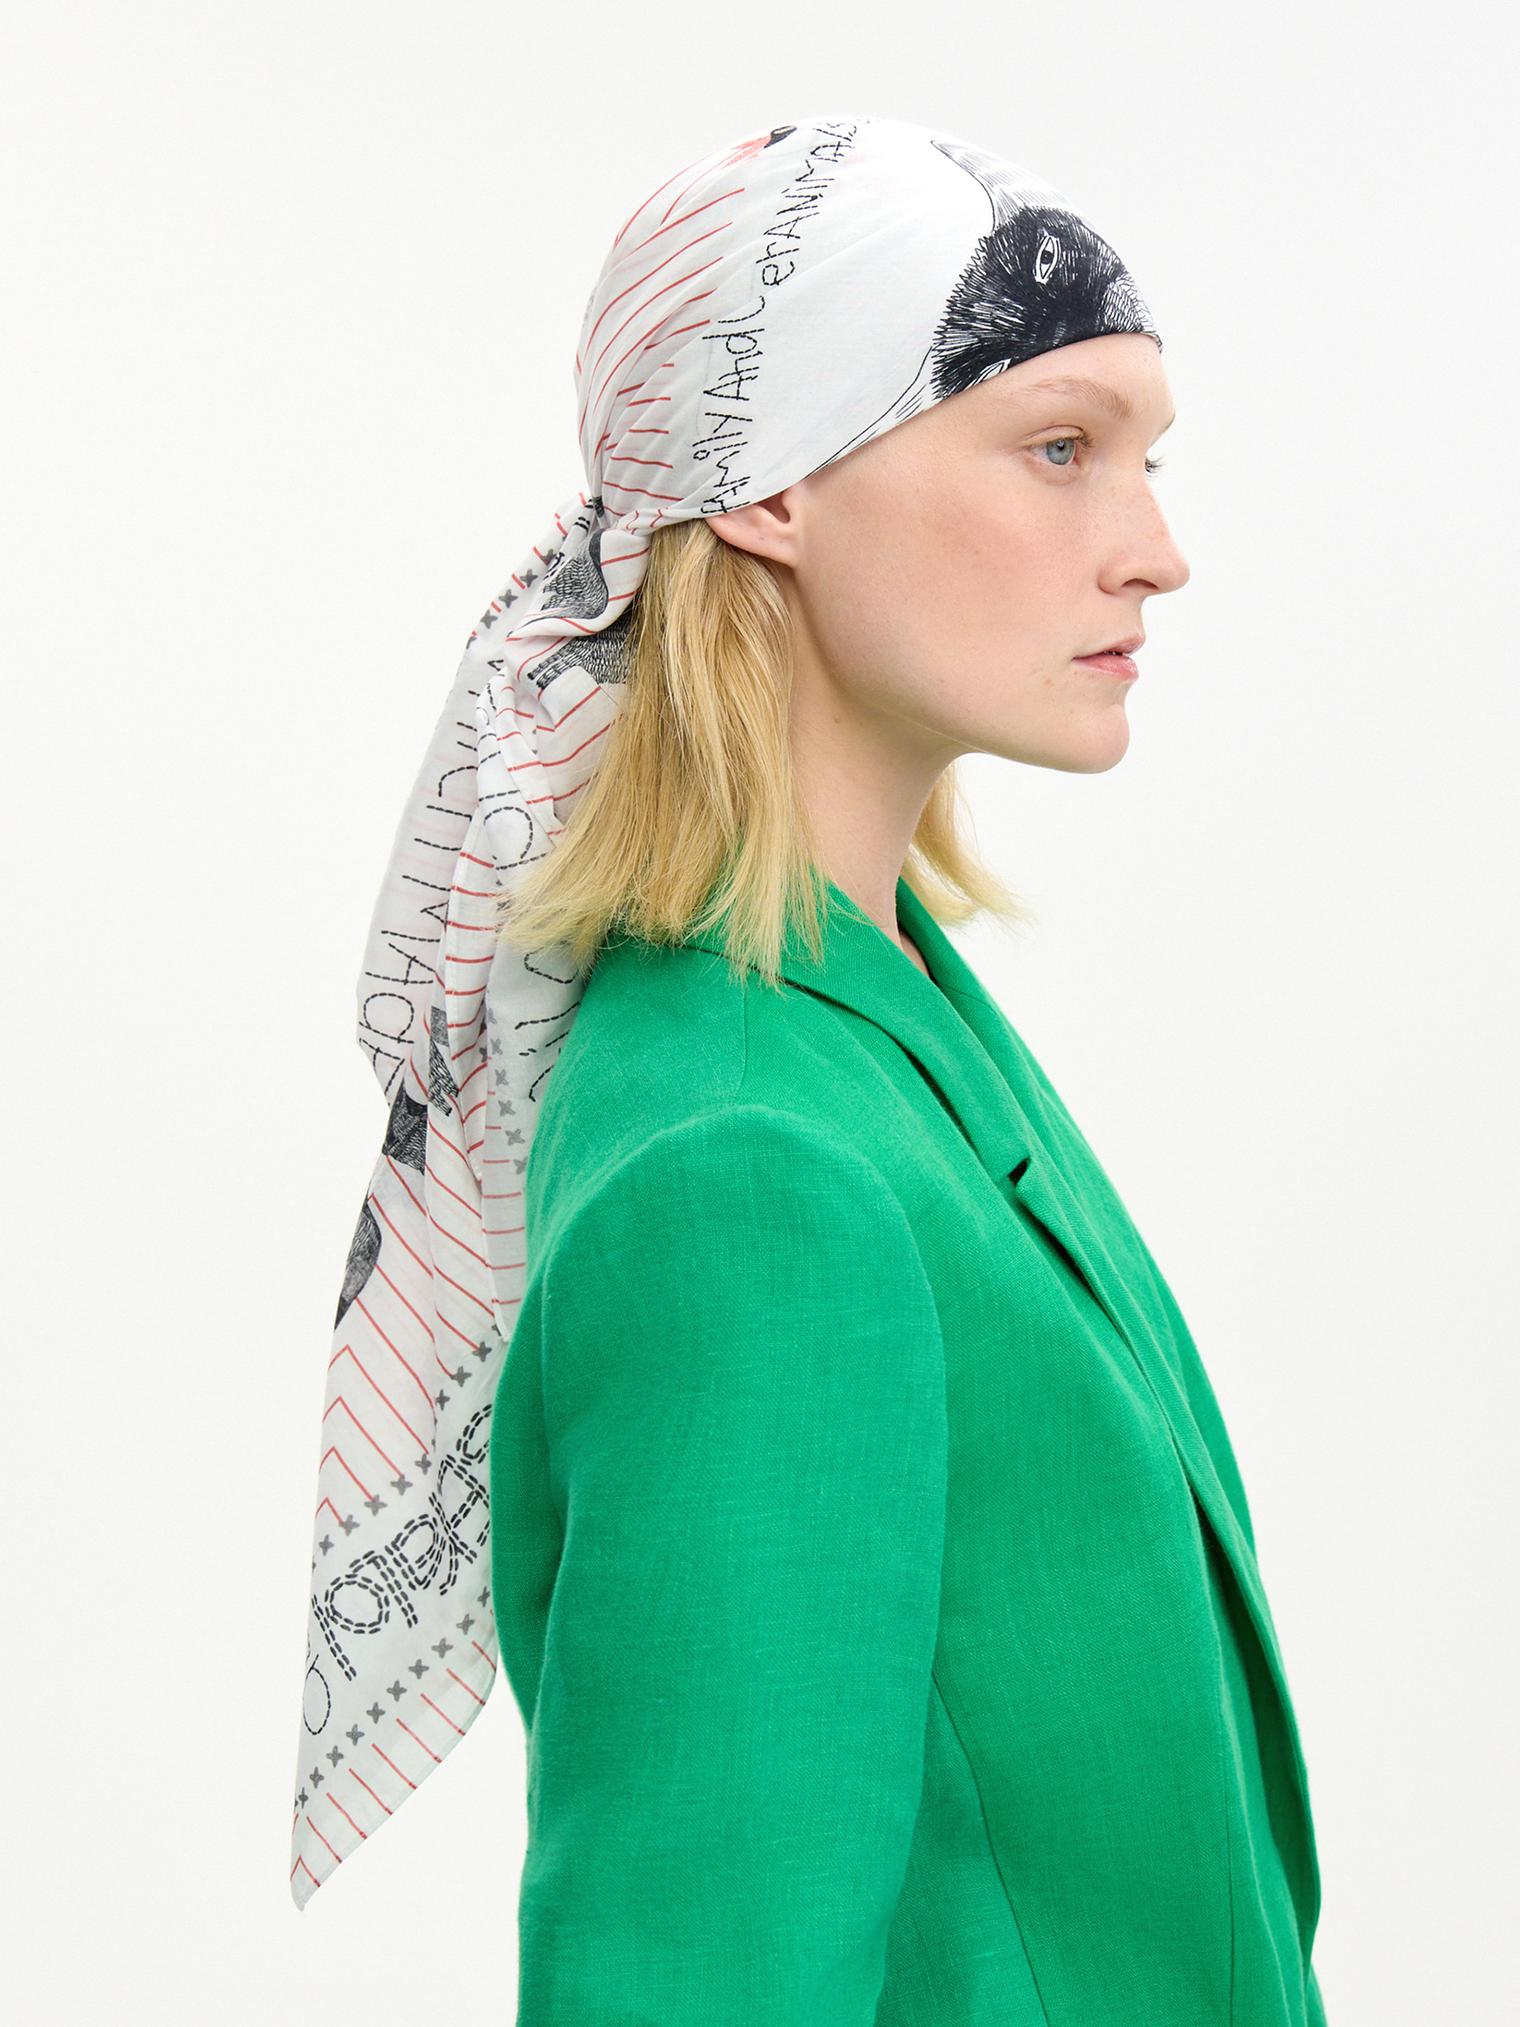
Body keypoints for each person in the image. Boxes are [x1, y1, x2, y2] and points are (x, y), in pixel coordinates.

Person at [290, 113, 1328, 2025]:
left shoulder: (891, 1021)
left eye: (1147, 460)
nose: (1158, 552)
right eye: (1060, 448)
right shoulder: (749, 1170)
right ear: (769, 486)